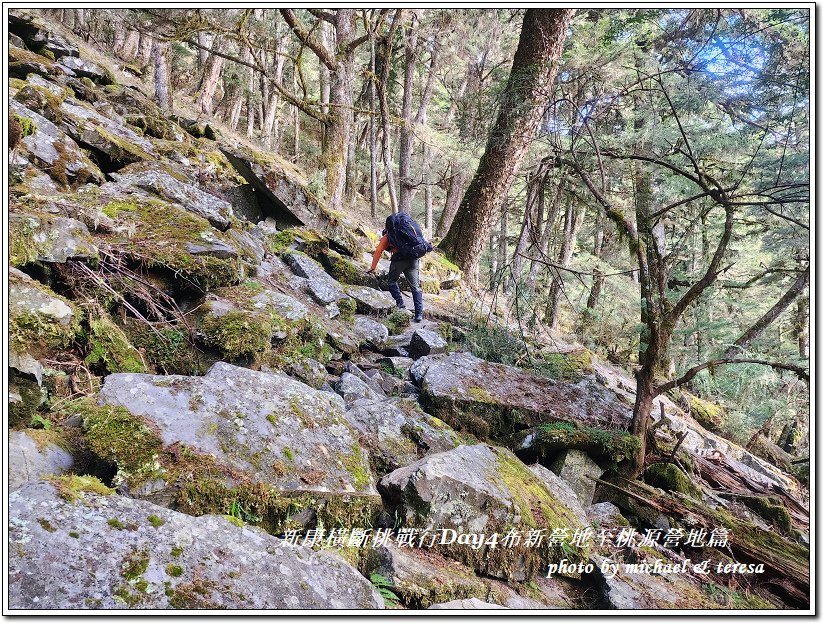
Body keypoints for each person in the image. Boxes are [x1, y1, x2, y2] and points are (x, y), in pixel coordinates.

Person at [367, 214, 426, 322]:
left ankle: (400, 304)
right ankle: (419, 314)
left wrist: (372, 267)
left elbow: (378, 251)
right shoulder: (409, 230)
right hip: (414, 259)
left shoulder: (388, 236)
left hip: (399, 260)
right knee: (415, 287)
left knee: (391, 281)